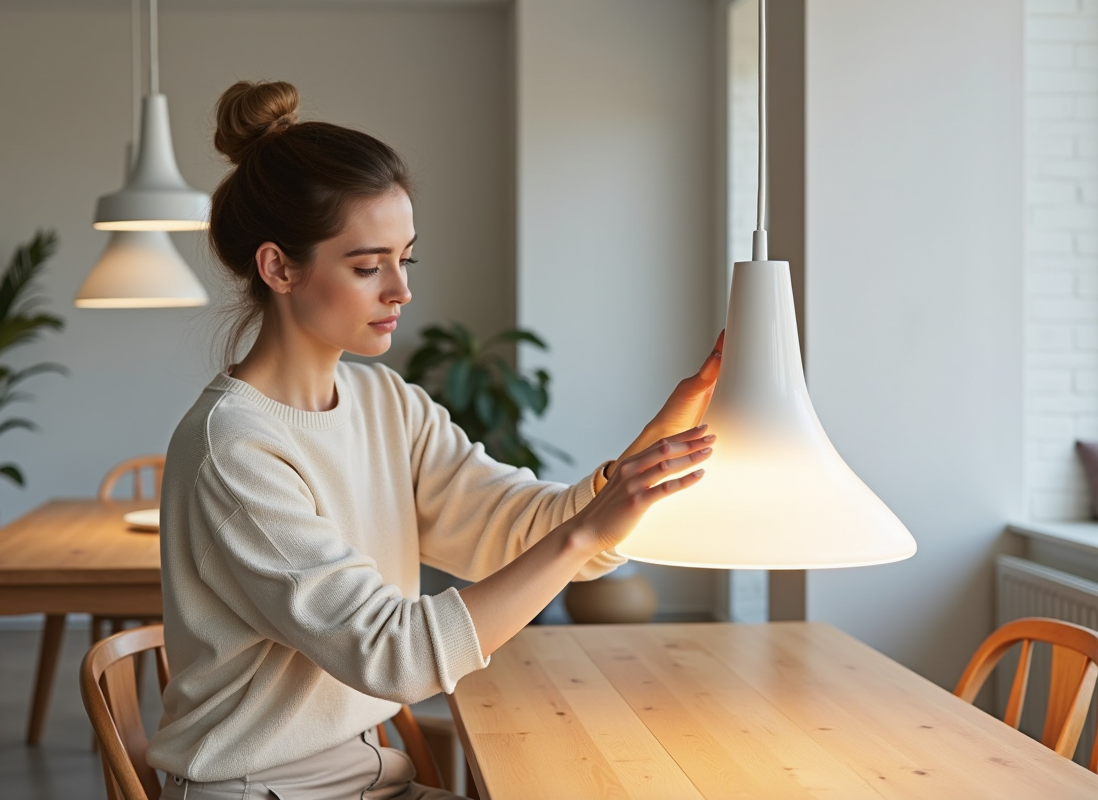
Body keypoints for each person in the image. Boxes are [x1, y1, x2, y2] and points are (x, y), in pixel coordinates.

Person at [148, 80, 723, 800]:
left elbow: (516, 531)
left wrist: (634, 473)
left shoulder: (386, 402)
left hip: (365, 778)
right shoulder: (232, 448)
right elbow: (397, 655)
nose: (400, 290)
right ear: (279, 268)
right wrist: (581, 537)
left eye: (405, 259)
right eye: (367, 266)